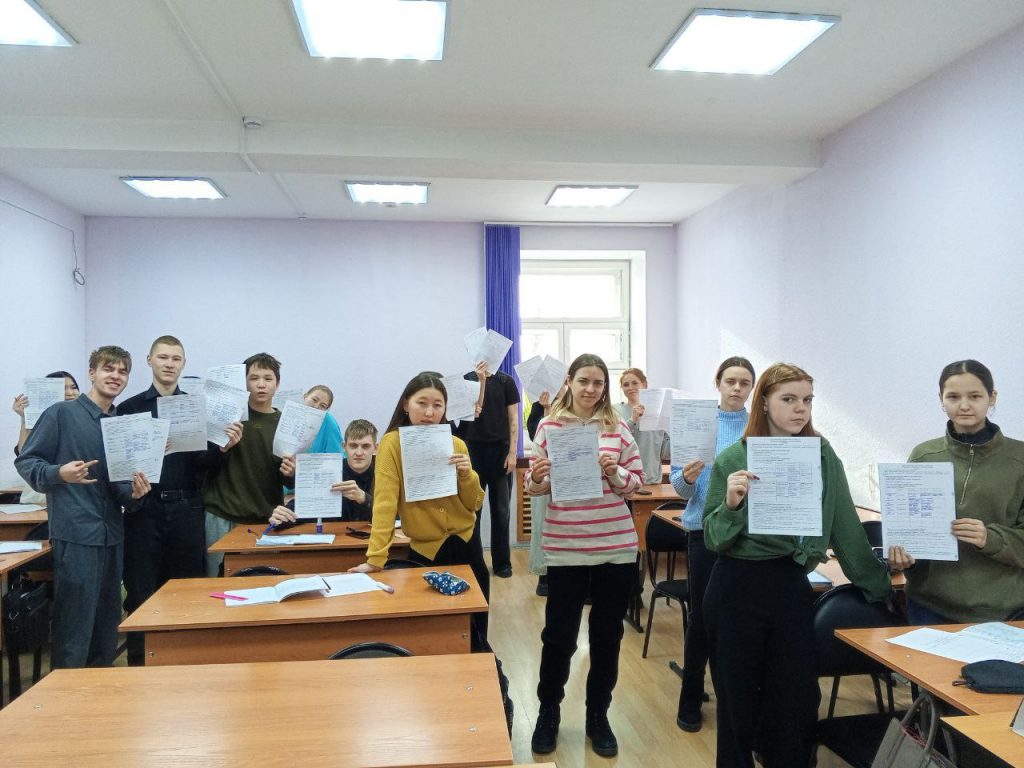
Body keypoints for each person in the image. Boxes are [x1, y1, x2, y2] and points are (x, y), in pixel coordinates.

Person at [702, 362, 892, 768]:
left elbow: (846, 529)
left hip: (789, 585)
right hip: (736, 587)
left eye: (807, 400)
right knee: (736, 705)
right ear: (764, 403)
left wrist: (882, 589)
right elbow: (714, 539)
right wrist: (732, 504)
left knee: (795, 701)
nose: (800, 408)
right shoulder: (734, 457)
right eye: (788, 399)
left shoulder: (821, 455)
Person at [526, 354, 643, 758]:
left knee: (607, 637)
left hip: (615, 548)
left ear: (605, 387)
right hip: (567, 547)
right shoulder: (549, 426)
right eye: (584, 381)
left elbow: (635, 483)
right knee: (559, 637)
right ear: (570, 382)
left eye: (598, 382)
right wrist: (537, 476)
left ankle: (598, 715)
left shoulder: (617, 427)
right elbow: (535, 486)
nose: (591, 389)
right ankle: (549, 711)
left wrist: (615, 472)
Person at [15, 346, 151, 668]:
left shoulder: (120, 425)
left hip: (112, 535)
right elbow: (27, 461)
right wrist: (58, 473)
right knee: (75, 628)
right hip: (76, 536)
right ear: (92, 373)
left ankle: (98, 691)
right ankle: (65, 693)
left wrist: (136, 493)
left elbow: (118, 488)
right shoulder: (61, 414)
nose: (115, 376)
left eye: (122, 371)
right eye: (108, 369)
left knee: (106, 625)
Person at [348, 372, 488, 648]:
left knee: (475, 630)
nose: (429, 412)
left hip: (467, 544)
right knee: (435, 635)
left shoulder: (456, 444)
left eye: (437, 405)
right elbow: (385, 503)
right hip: (426, 552)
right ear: (405, 404)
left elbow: (474, 502)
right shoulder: (392, 444)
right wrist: (375, 559)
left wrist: (467, 475)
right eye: (421, 403)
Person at [888, 360, 1024, 623]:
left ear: (992, 397)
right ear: (941, 399)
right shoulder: (924, 455)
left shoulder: (1019, 459)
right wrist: (902, 558)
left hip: (1005, 610)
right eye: (953, 397)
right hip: (929, 606)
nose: (964, 405)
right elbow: (911, 530)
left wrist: (991, 538)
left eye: (974, 396)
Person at [118, 335, 221, 665]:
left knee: (185, 591)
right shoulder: (129, 408)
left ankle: (183, 665)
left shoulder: (194, 407)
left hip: (186, 509)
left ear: (183, 364)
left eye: (176, 359)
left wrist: (224, 449)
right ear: (150, 360)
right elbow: (118, 462)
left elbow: (202, 463)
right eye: (163, 357)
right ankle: (139, 666)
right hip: (144, 510)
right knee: (140, 592)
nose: (169, 364)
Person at [669, 356, 755, 732]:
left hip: (745, 537)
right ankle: (690, 696)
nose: (737, 388)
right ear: (717, 383)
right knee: (702, 619)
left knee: (737, 620)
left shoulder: (758, 427)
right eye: (730, 381)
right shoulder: (697, 422)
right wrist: (687, 479)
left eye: (744, 383)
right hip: (703, 533)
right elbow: (680, 487)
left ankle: (733, 701)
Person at [202, 352, 286, 576]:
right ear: (244, 383)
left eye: (268, 378)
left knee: (262, 583)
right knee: (217, 584)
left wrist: (292, 471)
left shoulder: (284, 423)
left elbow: (288, 478)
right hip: (222, 515)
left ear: (277, 384)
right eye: (254, 378)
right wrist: (223, 447)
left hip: (265, 520)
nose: (261, 384)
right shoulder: (226, 417)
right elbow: (202, 464)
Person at [456, 361, 520, 578]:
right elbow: (466, 414)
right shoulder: (466, 379)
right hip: (472, 451)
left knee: (501, 511)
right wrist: (480, 381)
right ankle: (473, 562)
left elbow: (514, 419)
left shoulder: (506, 381)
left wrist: (513, 453)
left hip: (500, 452)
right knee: (472, 512)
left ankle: (502, 563)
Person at [272, 418, 379, 524]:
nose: (359, 453)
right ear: (344, 446)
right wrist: (282, 517)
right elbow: (304, 505)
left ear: (376, 448)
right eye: (353, 446)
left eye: (365, 446)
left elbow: (389, 516)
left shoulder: (385, 474)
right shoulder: (327, 471)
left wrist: (365, 499)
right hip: (336, 534)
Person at [527, 387, 564, 597]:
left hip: (570, 479)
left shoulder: (577, 404)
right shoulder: (537, 404)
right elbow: (536, 436)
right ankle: (544, 579)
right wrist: (546, 408)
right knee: (542, 526)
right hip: (544, 477)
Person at [614, 367, 670, 484]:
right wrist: (633, 420)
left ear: (644, 385)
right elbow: (614, 442)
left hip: (652, 481)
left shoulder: (658, 413)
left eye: (635, 383)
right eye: (626, 385)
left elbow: (665, 452)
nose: (630, 387)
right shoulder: (615, 411)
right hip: (624, 482)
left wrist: (678, 430)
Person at [12, 370, 80, 454]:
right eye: (62, 389)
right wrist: (25, 418)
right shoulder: (44, 422)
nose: (70, 393)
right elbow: (24, 453)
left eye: (74, 387)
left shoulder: (84, 417)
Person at [303, 384, 343, 453]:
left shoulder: (329, 423)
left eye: (322, 406)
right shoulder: (290, 413)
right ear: (305, 396)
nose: (316, 407)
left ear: (326, 410)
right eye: (314, 400)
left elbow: (337, 455)